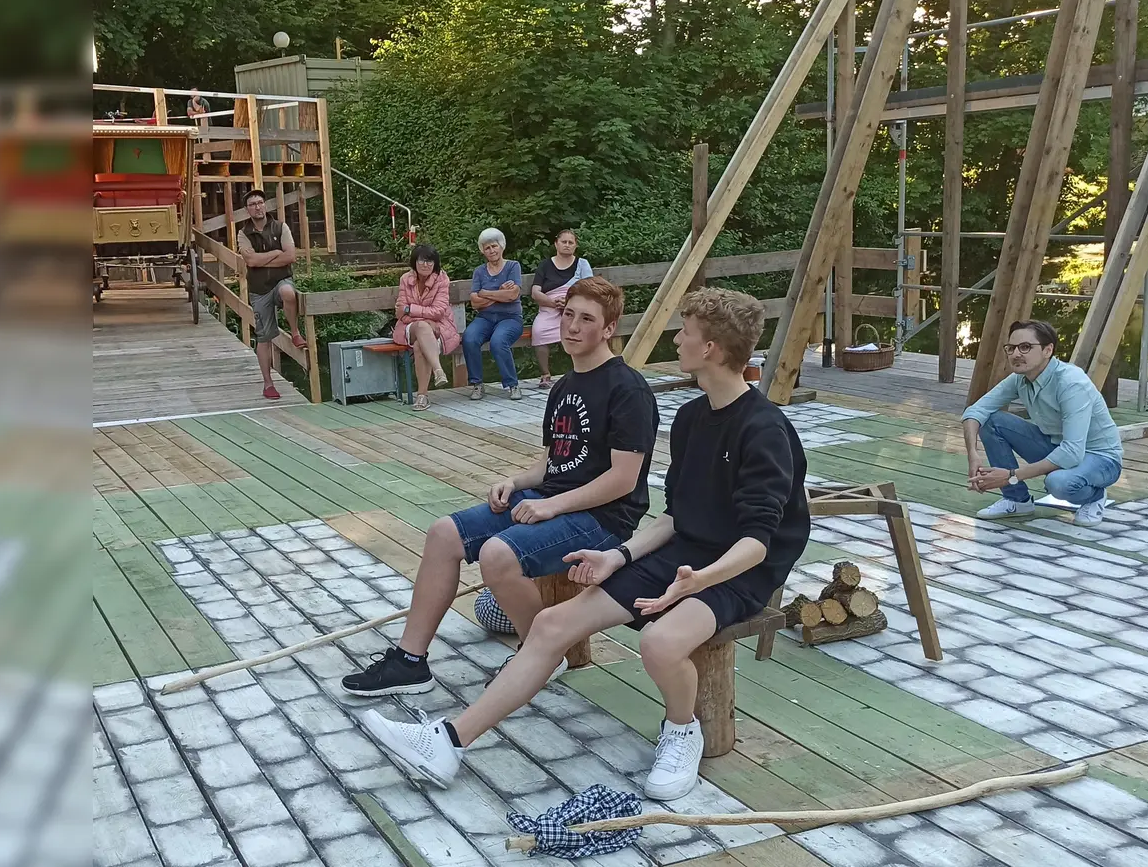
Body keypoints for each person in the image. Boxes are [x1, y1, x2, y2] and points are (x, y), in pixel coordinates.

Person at [359, 287, 809, 802]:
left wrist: (697, 582)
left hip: (738, 570)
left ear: (709, 349)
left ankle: (682, 729)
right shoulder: (691, 418)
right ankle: (447, 742)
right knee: (551, 624)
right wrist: (617, 555)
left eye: (685, 332)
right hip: (687, 553)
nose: (677, 338)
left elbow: (758, 540)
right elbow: (676, 520)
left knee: (660, 643)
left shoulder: (765, 429)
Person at [344, 275, 658, 692]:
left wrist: (552, 506)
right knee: (443, 534)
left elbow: (623, 480)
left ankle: (540, 654)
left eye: (587, 319)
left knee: (497, 554)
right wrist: (514, 481)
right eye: (568, 315)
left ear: (608, 329)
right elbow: (552, 464)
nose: (573, 327)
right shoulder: (563, 386)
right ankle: (410, 661)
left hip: (602, 520)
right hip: (553, 500)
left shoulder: (628, 388)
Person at [962, 319, 1123, 526]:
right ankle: (1016, 500)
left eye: (1026, 347)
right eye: (1011, 348)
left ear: (1048, 350)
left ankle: (1094, 497)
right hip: (1057, 446)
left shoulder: (1071, 382)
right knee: (991, 421)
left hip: (1101, 458)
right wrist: (973, 455)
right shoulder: (1020, 378)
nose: (1016, 354)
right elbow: (975, 411)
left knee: (1058, 483)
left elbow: (1072, 451)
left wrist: (1011, 475)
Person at [235, 188, 304, 399]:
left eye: (260, 202)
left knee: (288, 292)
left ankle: (294, 332)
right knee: (264, 338)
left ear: (266, 205)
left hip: (281, 280)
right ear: (247, 210)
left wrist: (263, 258)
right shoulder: (243, 233)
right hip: (259, 289)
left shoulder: (281, 227)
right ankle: (268, 384)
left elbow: (290, 256)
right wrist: (275, 253)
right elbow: (251, 261)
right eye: (253, 204)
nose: (257, 207)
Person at [460, 228, 525, 401]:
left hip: (510, 318)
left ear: (501, 246)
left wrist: (486, 293)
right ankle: (477, 384)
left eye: (494, 246)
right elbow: (474, 302)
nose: (492, 251)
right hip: (485, 318)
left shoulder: (513, 266)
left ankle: (512, 385)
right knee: (469, 338)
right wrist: (499, 293)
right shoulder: (479, 271)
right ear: (483, 251)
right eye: (487, 248)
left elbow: (512, 295)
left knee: (498, 341)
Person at [394, 244, 459, 411]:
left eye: (430, 262)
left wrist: (412, 310)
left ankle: (421, 397)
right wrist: (426, 320)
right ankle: (438, 370)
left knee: (419, 346)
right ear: (414, 262)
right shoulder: (405, 279)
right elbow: (400, 312)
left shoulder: (442, 279)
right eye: (422, 260)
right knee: (423, 326)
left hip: (439, 327)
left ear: (435, 264)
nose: (425, 265)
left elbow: (439, 312)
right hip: (409, 327)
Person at [529, 229, 594, 389]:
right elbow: (535, 292)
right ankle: (545, 375)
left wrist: (569, 302)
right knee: (539, 329)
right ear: (556, 244)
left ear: (575, 246)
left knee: (582, 329)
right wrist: (552, 303)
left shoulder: (582, 264)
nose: (567, 245)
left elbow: (590, 290)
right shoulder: (545, 265)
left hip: (576, 307)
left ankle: (582, 373)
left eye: (570, 242)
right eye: (564, 242)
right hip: (549, 307)